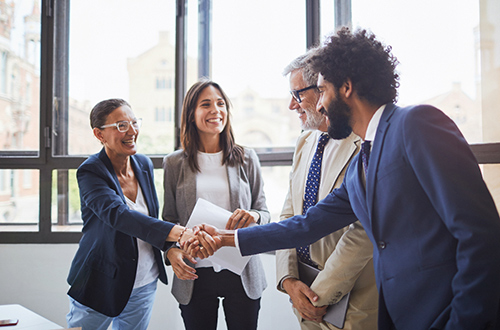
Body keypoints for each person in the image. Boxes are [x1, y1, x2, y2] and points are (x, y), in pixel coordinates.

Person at [191, 28, 500, 330]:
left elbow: (480, 235)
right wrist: (224, 238)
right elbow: (307, 225)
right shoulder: (362, 162)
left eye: (322, 90)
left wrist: (464, 320)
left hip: (443, 313)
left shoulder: (416, 124)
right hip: (398, 316)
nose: (320, 105)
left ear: (347, 87)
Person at [66, 98, 217, 330]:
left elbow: (150, 220)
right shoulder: (91, 171)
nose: (132, 131)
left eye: (134, 123)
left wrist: (170, 248)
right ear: (99, 135)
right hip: (100, 282)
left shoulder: (143, 164)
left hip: (144, 282)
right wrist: (180, 233)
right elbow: (118, 216)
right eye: (121, 126)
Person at [277, 50, 377, 330]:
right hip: (302, 294)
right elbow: (289, 215)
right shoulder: (305, 141)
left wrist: (318, 295)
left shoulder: (364, 145)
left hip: (351, 302)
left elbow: (362, 232)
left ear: (323, 90)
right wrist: (288, 280)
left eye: (297, 95)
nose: (291, 105)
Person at [162, 79, 269, 330]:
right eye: (206, 104)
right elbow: (168, 220)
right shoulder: (174, 163)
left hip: (242, 271)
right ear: (191, 114)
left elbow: (264, 211)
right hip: (195, 272)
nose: (215, 110)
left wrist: (253, 215)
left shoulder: (246, 157)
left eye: (221, 104)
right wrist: (170, 250)